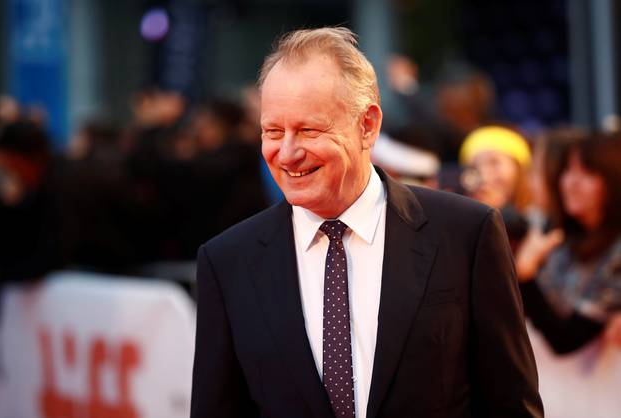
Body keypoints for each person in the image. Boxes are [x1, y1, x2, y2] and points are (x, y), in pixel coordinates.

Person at [190, 27, 543, 418]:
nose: (286, 153)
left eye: (308, 129)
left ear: (368, 125)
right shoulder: (227, 262)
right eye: (273, 131)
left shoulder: (466, 234)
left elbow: (512, 405)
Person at [516, 132, 621, 354]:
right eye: (569, 170)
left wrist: (525, 274)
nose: (570, 182)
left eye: (588, 173)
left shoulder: (616, 254)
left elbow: (564, 339)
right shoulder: (562, 239)